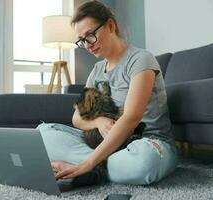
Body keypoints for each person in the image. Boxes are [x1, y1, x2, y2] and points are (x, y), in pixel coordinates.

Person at [36, 0, 178, 186]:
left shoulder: (141, 60)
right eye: (82, 40)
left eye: (90, 35)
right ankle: (104, 164)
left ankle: (87, 167)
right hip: (106, 143)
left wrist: (87, 163)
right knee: (43, 132)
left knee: (144, 164)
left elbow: (131, 119)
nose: (87, 45)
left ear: (110, 25)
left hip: (146, 143)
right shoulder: (96, 71)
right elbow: (77, 119)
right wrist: (99, 121)